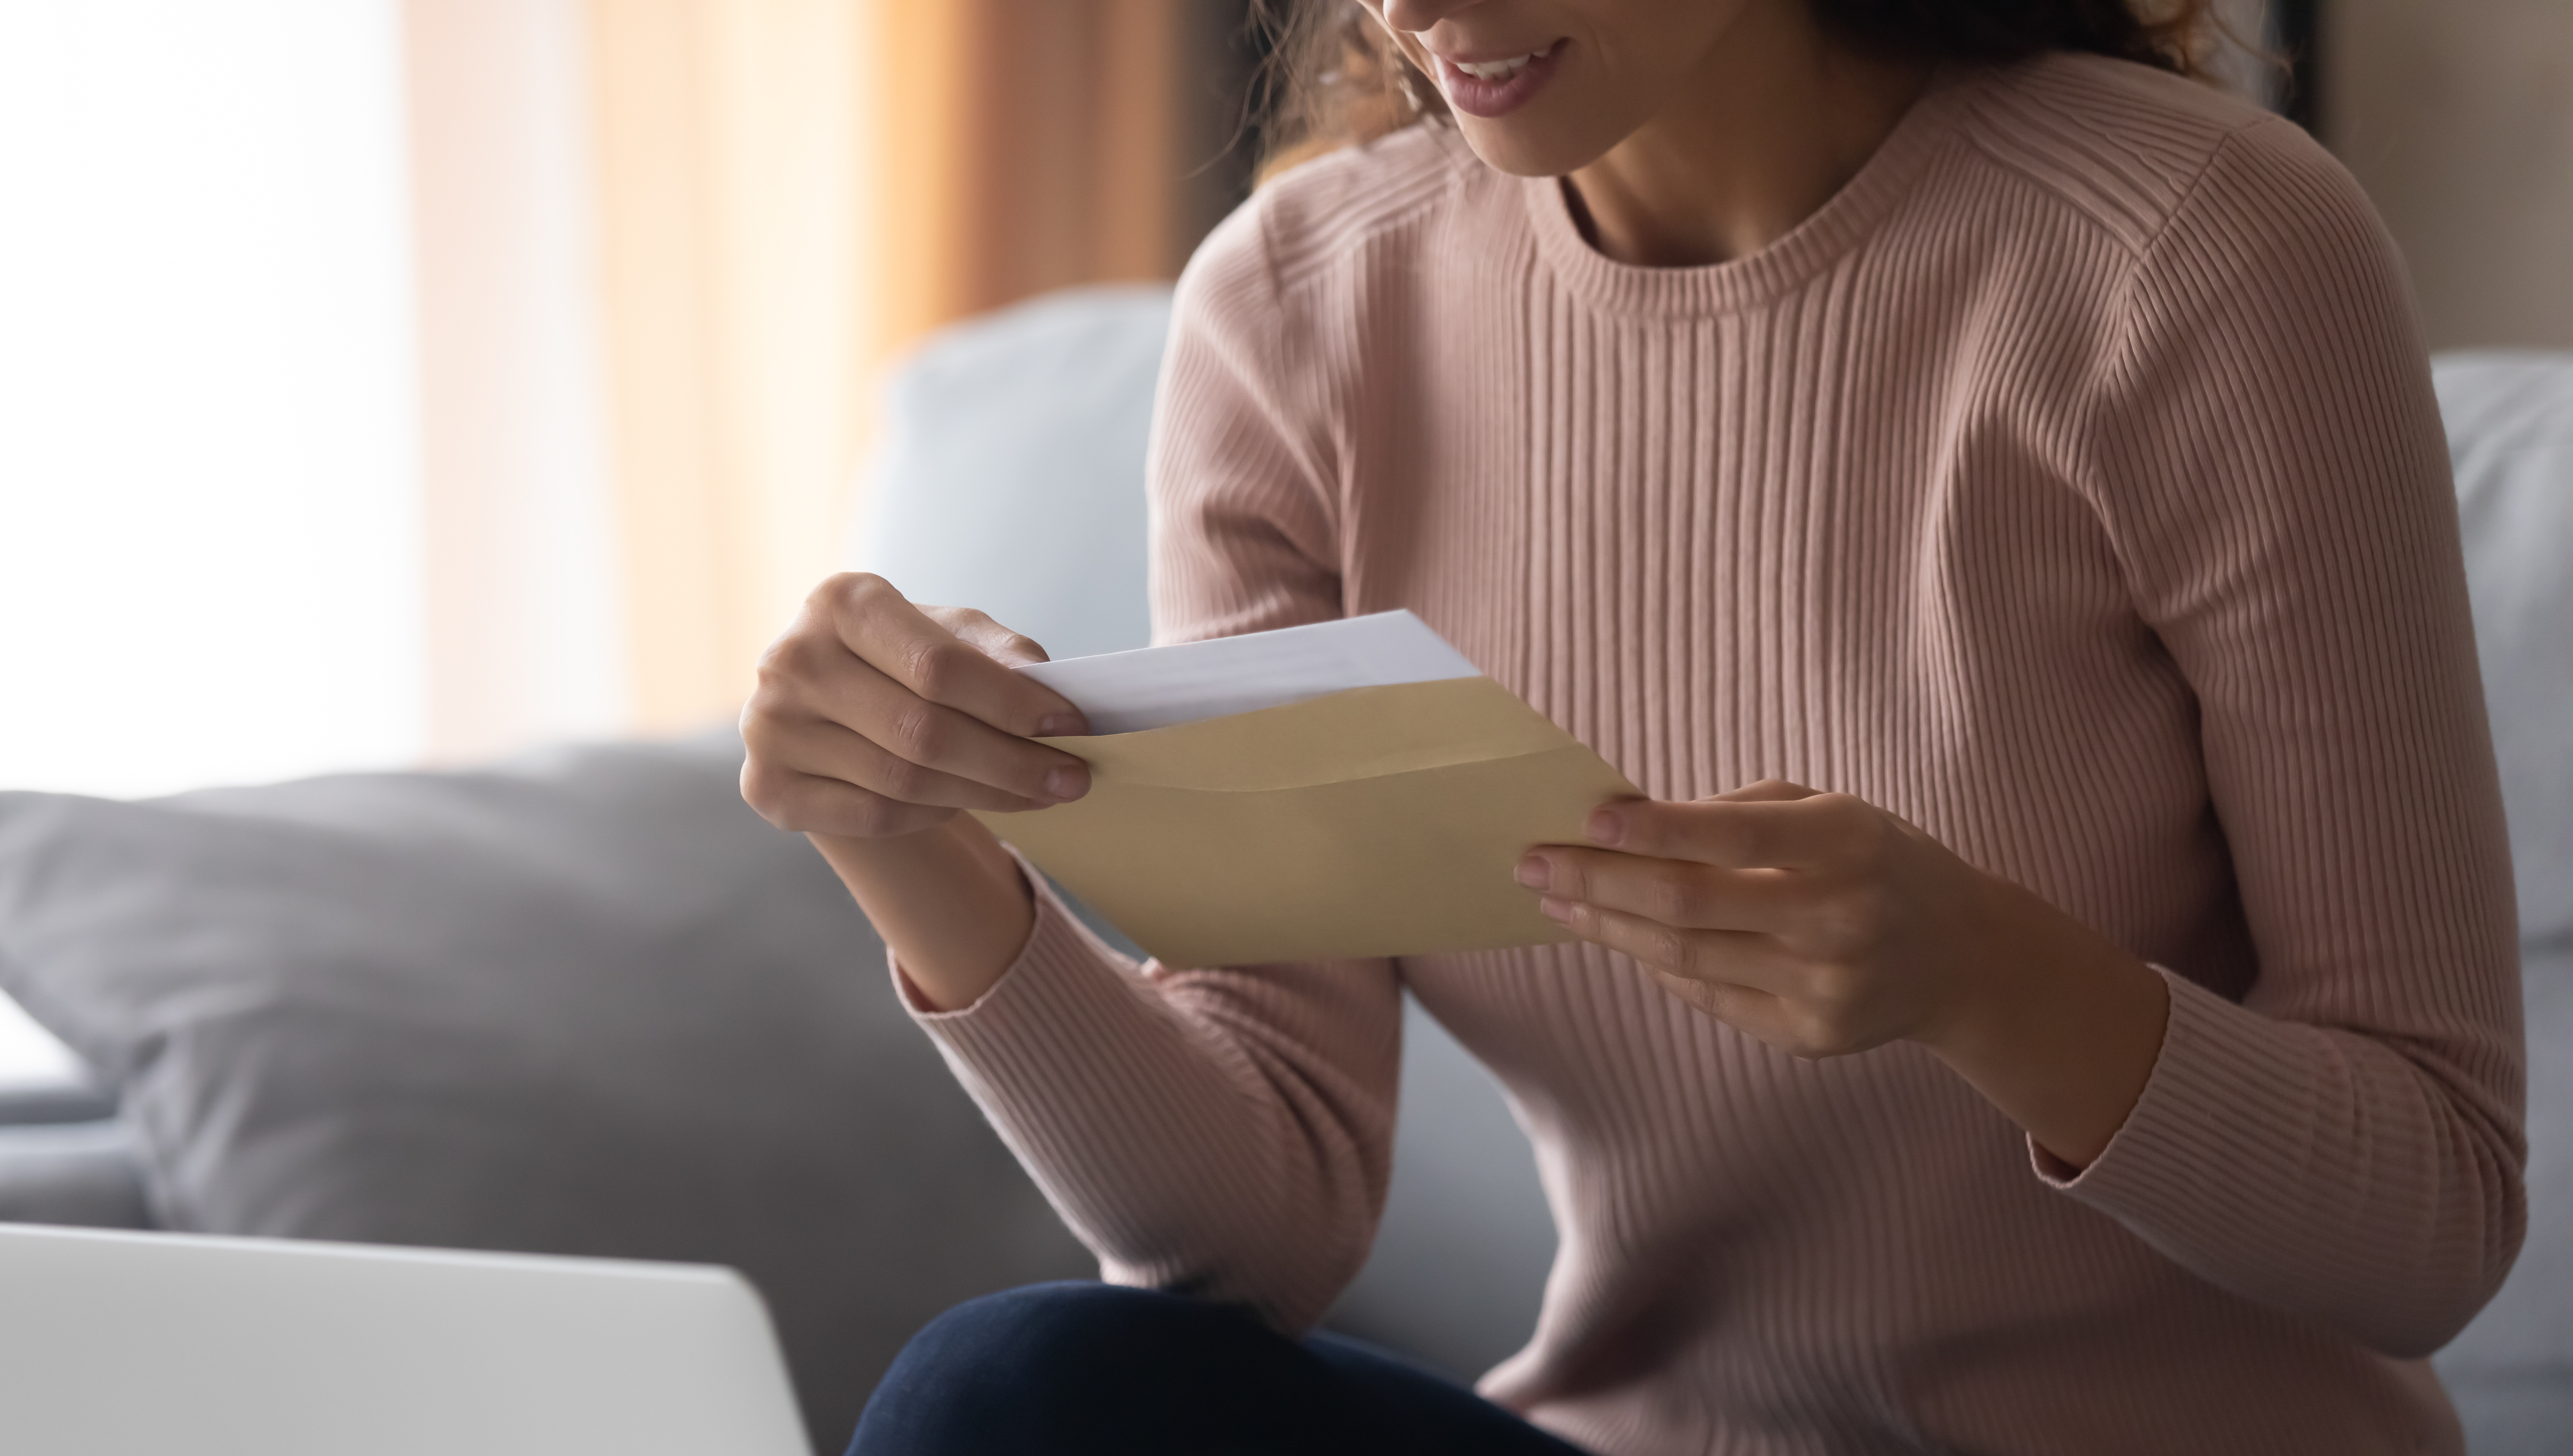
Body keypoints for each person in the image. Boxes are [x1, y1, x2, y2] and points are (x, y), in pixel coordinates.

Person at [740, 0, 2527, 1450]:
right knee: (1025, 1399)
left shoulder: (2191, 255)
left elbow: (2431, 1214)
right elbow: (1254, 1227)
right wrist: (917, 859)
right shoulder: (1301, 316)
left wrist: (1993, 980)